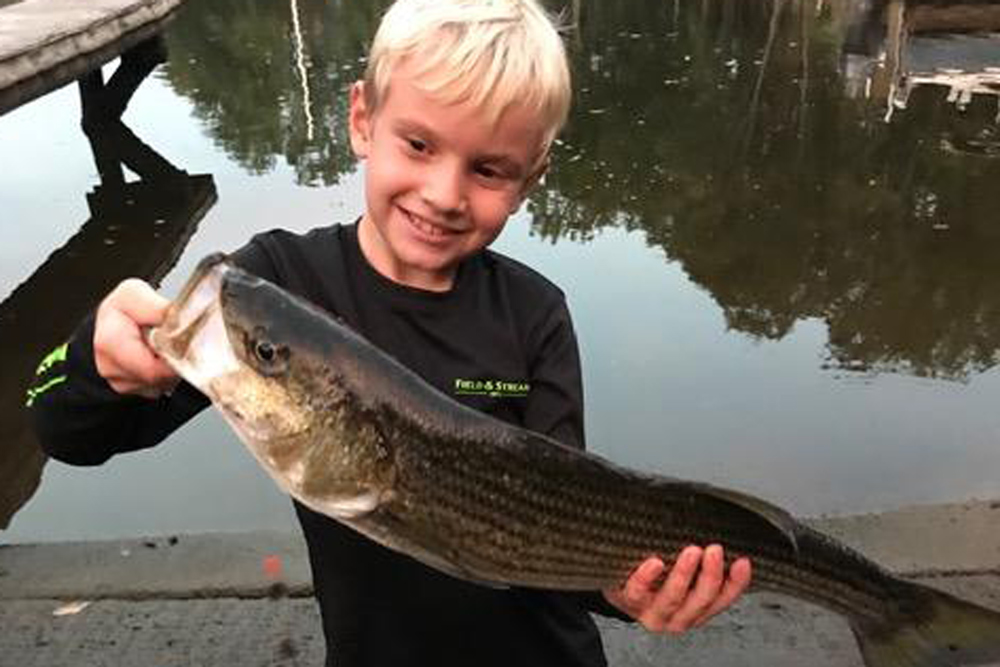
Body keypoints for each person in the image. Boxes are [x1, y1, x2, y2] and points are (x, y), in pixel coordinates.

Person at [29, 0, 751, 665]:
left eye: (488, 169)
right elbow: (68, 431)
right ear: (363, 120)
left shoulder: (535, 313)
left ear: (530, 179)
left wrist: (630, 590)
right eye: (418, 144)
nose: (443, 194)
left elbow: (567, 524)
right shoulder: (271, 290)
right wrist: (95, 358)